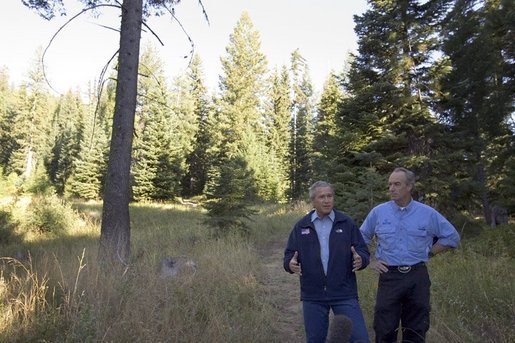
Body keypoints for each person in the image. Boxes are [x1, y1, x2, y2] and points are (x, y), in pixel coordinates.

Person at [359, 167, 461, 343]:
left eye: (397, 184)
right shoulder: (379, 212)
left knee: (416, 328)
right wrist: (369, 260)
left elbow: (452, 237)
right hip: (389, 276)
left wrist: (429, 252)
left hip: (417, 276)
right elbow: (361, 237)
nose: (391, 188)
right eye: (390, 184)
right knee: (384, 328)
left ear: (409, 187)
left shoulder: (427, 213)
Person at [284, 181, 370, 343]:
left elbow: (363, 251)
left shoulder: (346, 223)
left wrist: (361, 260)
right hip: (313, 294)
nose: (326, 200)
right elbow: (289, 255)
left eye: (329, 196)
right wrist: (290, 264)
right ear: (313, 201)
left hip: (343, 292)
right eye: (322, 197)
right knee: (315, 339)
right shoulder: (302, 226)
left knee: (360, 339)